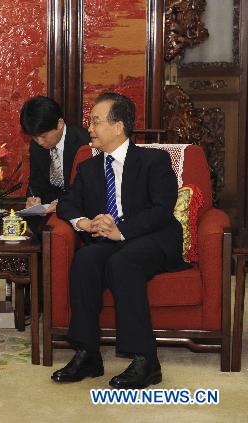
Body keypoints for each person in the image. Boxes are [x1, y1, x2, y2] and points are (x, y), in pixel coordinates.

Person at [54, 92, 187, 389]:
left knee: (122, 262)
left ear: (118, 127)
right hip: (110, 241)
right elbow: (67, 204)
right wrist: (85, 223)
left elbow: (162, 209)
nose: (89, 127)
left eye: (96, 121)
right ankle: (87, 353)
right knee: (86, 259)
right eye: (90, 121)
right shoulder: (88, 168)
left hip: (153, 238)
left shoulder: (154, 160)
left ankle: (146, 360)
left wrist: (121, 229)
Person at [19, 96, 90, 320]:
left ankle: (52, 302)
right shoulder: (38, 144)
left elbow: (86, 186)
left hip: (77, 205)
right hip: (46, 206)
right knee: (24, 232)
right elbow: (36, 181)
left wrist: (62, 204)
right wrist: (33, 198)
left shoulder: (84, 141)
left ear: (59, 124)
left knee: (49, 234)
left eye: (43, 136)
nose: (40, 142)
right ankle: (31, 301)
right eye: (35, 137)